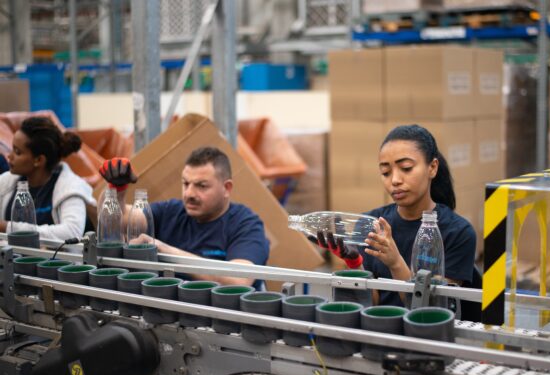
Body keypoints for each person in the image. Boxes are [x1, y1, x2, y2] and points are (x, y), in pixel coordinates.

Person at [312, 125, 477, 307]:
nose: (395, 180)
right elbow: (372, 304)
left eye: (406, 168)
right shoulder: (371, 225)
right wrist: (354, 264)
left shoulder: (458, 232)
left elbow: (429, 311)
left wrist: (396, 263)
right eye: (385, 172)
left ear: (432, 168)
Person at [99, 146, 270, 289]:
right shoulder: (171, 211)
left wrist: (162, 248)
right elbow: (119, 219)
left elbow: (238, 282)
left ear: (226, 188)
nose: (189, 194)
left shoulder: (246, 224)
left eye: (201, 186)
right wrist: (116, 189)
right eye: (186, 184)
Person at [0, 116, 96, 241]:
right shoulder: (7, 182)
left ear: (39, 160)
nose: (9, 156)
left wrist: (6, 227)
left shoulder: (70, 188)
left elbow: (71, 232)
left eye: (18, 152)